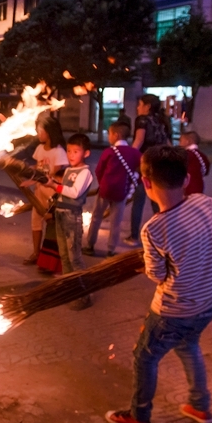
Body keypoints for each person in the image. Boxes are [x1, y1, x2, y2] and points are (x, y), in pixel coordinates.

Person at [106, 145, 212, 423]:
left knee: (144, 357)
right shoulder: (203, 203)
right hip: (208, 302)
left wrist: (146, 266)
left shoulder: (153, 229)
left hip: (173, 310)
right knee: (188, 345)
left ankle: (139, 417)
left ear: (146, 182)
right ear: (187, 179)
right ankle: (200, 405)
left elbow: (157, 275)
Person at [44, 133, 94, 309]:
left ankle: (83, 296)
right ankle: (69, 290)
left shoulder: (85, 172)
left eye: (76, 151)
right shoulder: (69, 170)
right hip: (60, 213)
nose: (71, 155)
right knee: (64, 256)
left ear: (86, 153)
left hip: (72, 216)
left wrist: (54, 186)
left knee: (75, 258)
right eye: (69, 151)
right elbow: (62, 191)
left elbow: (74, 193)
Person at [85, 122, 140, 258]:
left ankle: (90, 245)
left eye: (109, 133)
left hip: (105, 190)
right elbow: (140, 170)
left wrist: (103, 183)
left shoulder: (109, 152)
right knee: (116, 222)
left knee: (96, 217)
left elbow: (99, 170)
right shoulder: (134, 153)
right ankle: (111, 249)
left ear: (116, 135)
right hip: (122, 192)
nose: (108, 136)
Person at [127, 94, 172, 246]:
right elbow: (168, 144)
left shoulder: (142, 120)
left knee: (138, 201)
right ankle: (163, 237)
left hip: (145, 165)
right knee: (157, 202)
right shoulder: (162, 120)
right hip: (160, 164)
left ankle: (134, 237)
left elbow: (139, 141)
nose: (137, 108)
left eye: (140, 104)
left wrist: (128, 156)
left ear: (147, 106)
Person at [23, 117, 69, 268]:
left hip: (52, 193)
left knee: (52, 224)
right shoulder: (40, 149)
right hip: (39, 192)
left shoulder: (59, 151)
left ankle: (55, 257)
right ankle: (36, 253)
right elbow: (38, 168)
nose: (38, 134)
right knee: (36, 221)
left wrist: (32, 181)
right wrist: (25, 170)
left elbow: (54, 175)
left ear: (48, 132)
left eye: (40, 131)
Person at [180, 131, 211, 196]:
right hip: (199, 186)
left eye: (181, 141)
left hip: (187, 189)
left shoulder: (186, 155)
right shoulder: (202, 156)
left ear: (187, 141)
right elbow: (206, 171)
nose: (180, 143)